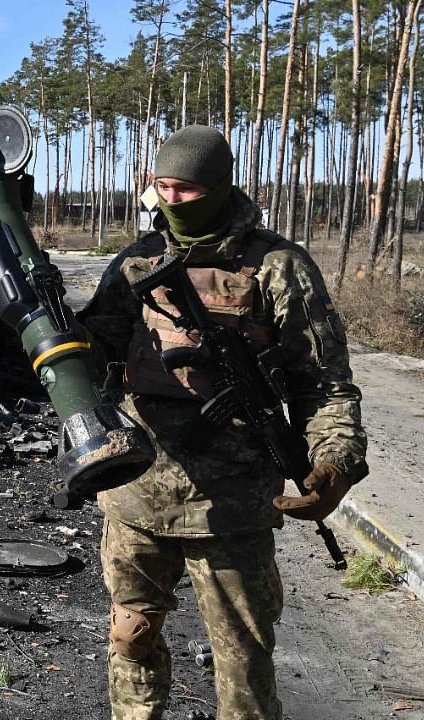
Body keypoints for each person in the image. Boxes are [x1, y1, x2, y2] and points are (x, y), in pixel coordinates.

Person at [76, 125, 368, 720]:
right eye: (162, 187)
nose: (172, 200)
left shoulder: (278, 267)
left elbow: (324, 382)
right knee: (131, 640)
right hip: (136, 492)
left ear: (218, 187)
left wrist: (334, 461)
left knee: (243, 663)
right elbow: (89, 353)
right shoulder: (135, 264)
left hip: (232, 504)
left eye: (186, 189)